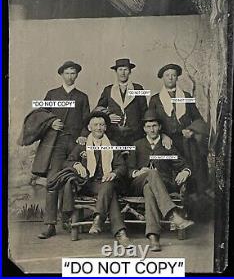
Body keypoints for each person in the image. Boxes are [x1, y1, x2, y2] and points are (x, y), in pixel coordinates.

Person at [36, 61, 90, 239]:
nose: (70, 76)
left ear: (77, 75)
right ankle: (50, 224)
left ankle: (69, 219)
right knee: (53, 181)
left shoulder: (82, 97)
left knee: (72, 180)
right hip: (57, 144)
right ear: (61, 75)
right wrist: (51, 123)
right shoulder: (52, 94)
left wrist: (83, 135)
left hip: (75, 144)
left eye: (73, 73)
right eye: (67, 73)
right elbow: (41, 115)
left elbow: (87, 122)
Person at [127, 109, 194, 251]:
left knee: (149, 190)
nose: (152, 129)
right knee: (150, 175)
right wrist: (138, 172)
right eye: (149, 126)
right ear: (144, 128)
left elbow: (184, 164)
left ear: (160, 127)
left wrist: (185, 172)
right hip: (138, 182)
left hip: (162, 184)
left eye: (155, 126)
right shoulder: (137, 145)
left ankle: (153, 237)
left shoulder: (167, 145)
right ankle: (172, 215)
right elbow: (128, 169)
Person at [63, 110, 132, 247]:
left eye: (102, 125)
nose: (99, 128)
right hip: (89, 184)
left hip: (108, 182)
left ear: (106, 127)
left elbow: (122, 167)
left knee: (108, 185)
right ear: (89, 128)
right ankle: (120, 233)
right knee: (109, 190)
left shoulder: (113, 144)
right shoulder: (83, 145)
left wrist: (114, 173)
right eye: (95, 125)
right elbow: (67, 162)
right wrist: (77, 165)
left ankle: (99, 219)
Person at [149, 64, 209, 195]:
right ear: (162, 78)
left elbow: (198, 118)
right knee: (164, 161)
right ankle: (168, 192)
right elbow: (151, 122)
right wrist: (163, 135)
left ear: (177, 78)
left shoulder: (186, 96)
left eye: (173, 75)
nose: (170, 78)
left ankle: (192, 196)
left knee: (192, 162)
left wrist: (191, 130)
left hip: (185, 140)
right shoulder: (155, 99)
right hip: (166, 140)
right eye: (167, 75)